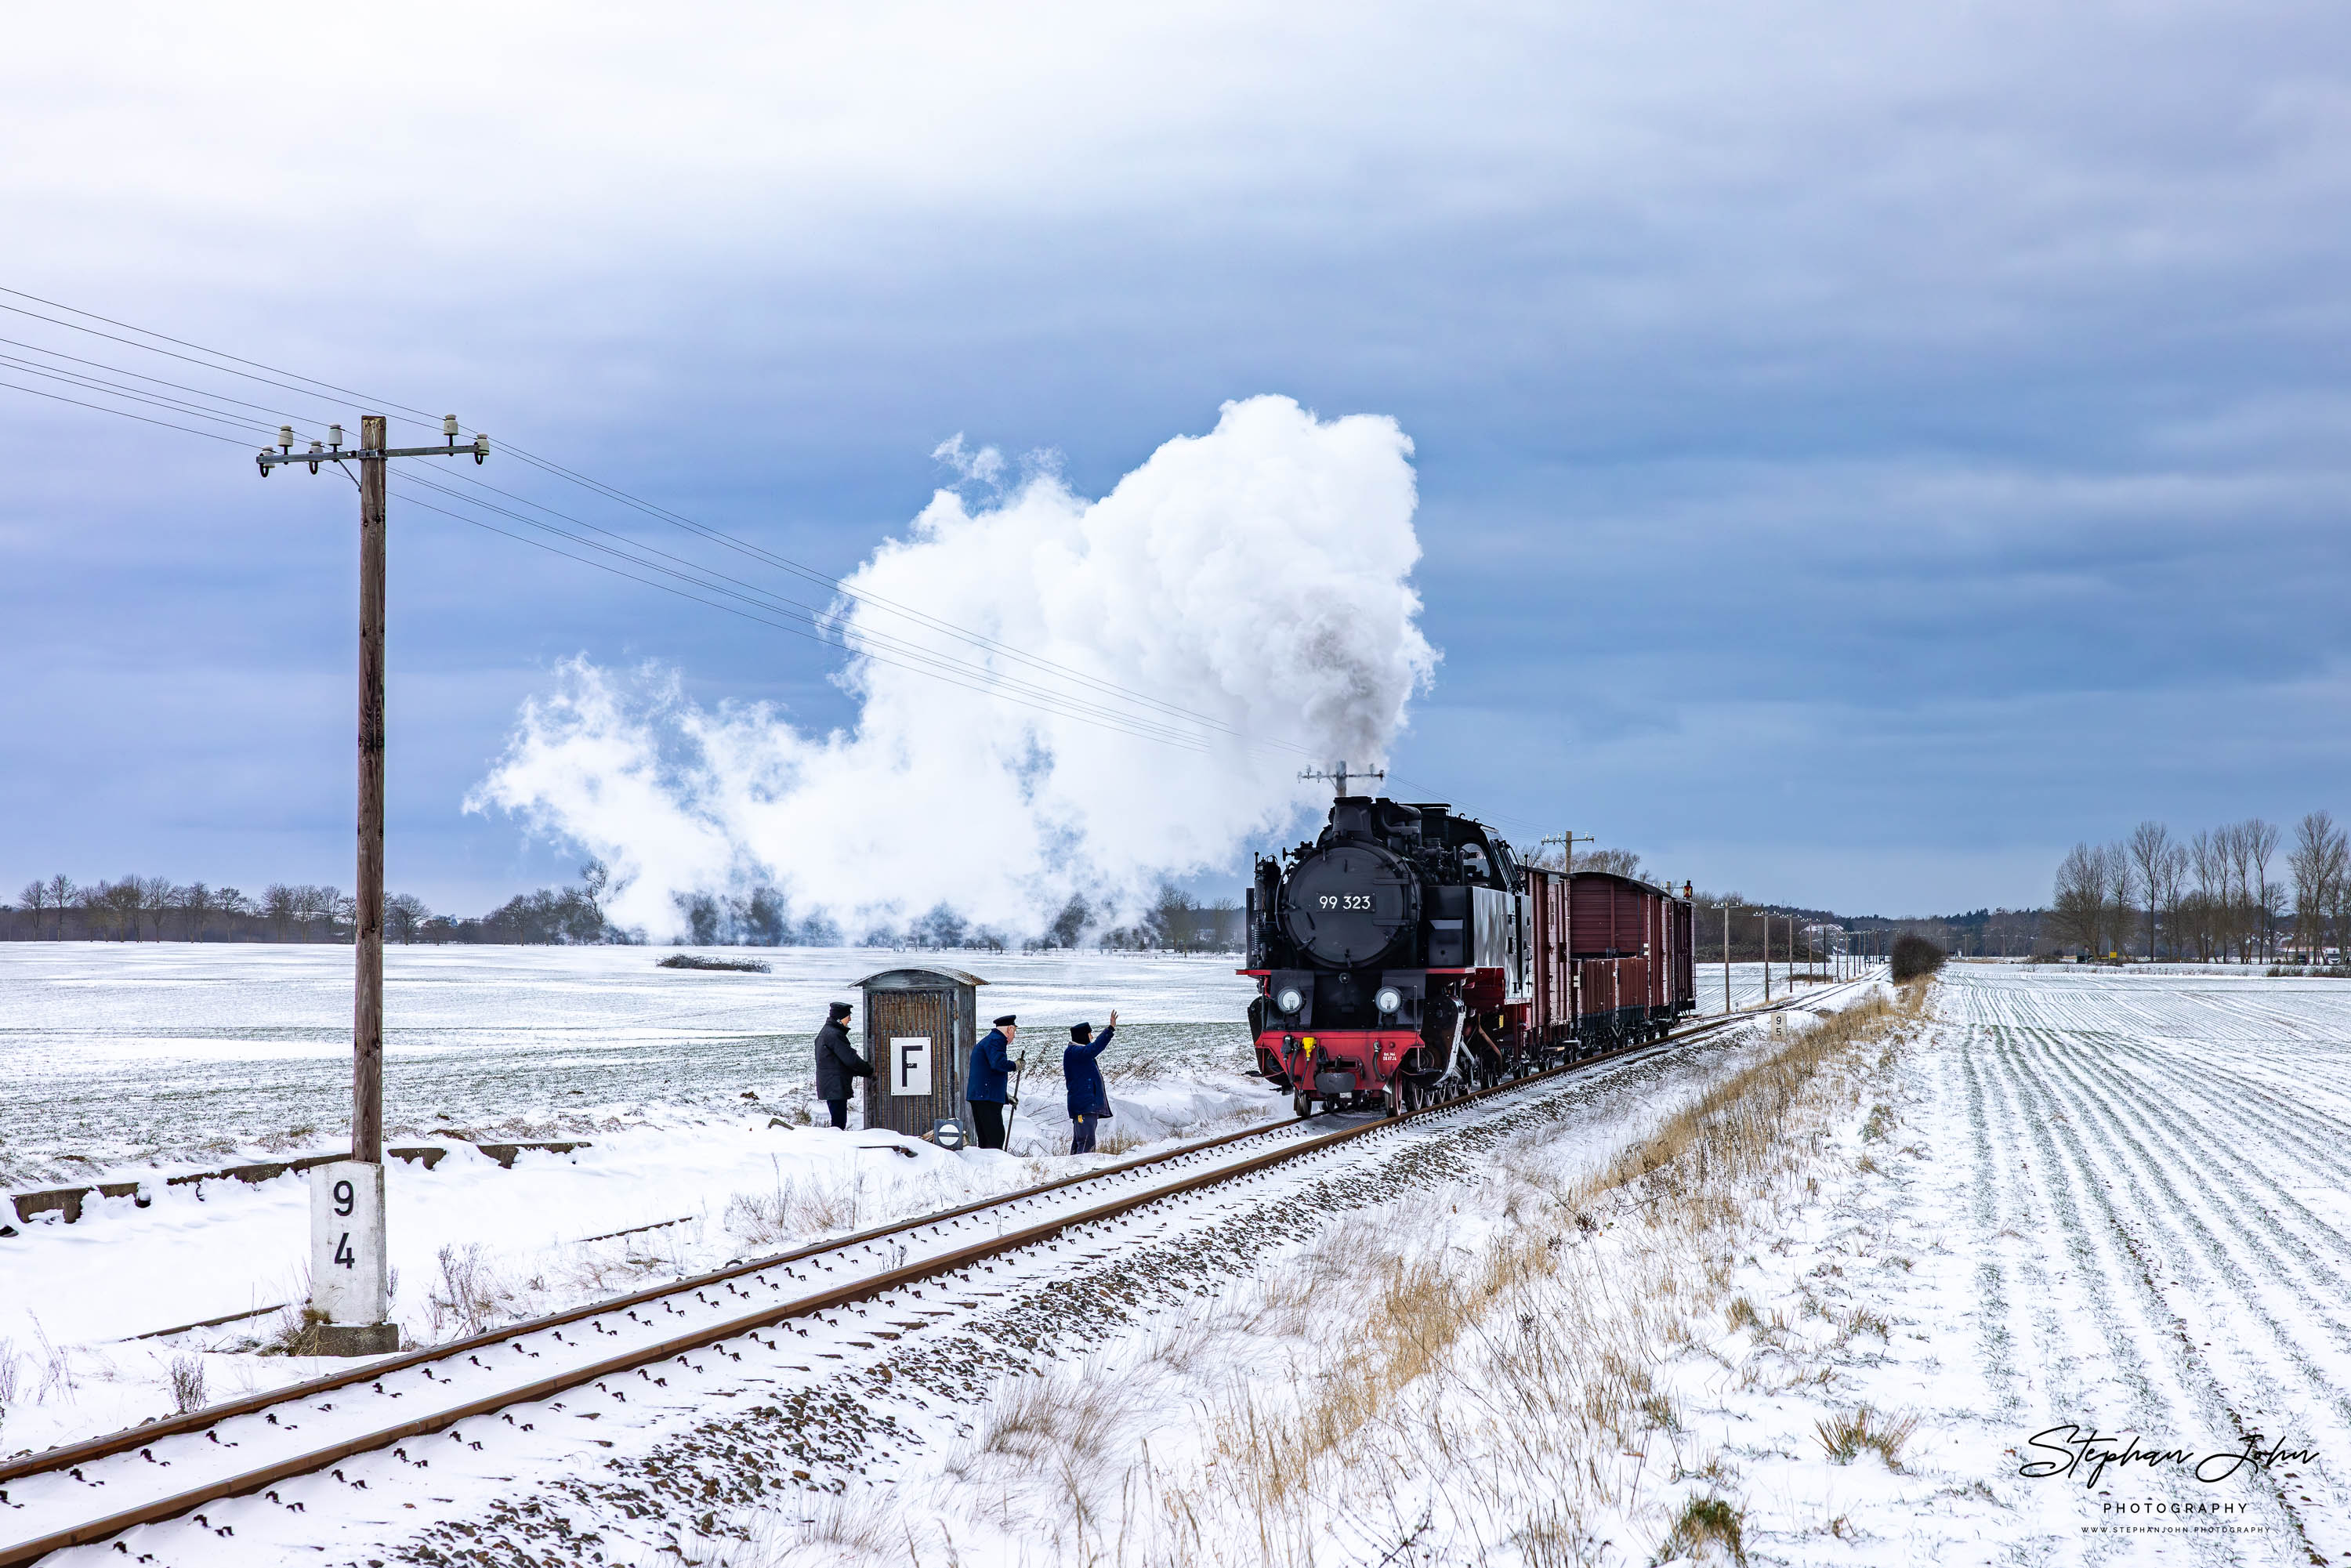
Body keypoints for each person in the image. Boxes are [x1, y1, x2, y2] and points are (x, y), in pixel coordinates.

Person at [1064, 1010, 1118, 1154]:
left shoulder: (1078, 1053)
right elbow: (1094, 1048)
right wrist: (1110, 1029)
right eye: (1089, 1034)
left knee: (1081, 1141)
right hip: (1084, 1106)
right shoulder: (1075, 1052)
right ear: (1083, 1036)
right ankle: (1082, 1172)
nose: (1092, 1037)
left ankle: (1074, 1171)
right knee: (1086, 1142)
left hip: (1086, 1105)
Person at [812, 1001, 871, 1130]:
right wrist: (869, 1070)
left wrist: (862, 1072)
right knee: (838, 1125)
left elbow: (840, 1063)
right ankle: (836, 1148)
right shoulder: (834, 1035)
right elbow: (850, 1060)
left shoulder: (827, 1032)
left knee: (837, 1122)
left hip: (832, 1085)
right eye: (848, 1015)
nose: (850, 1019)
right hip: (835, 1086)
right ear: (840, 1017)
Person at [967, 1013, 1018, 1150]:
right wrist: (1016, 1065)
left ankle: (986, 1165)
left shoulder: (989, 1040)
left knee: (986, 1137)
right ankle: (994, 1165)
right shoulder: (997, 1040)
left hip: (982, 1095)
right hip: (986, 1097)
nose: (1014, 1035)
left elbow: (988, 1074)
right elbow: (998, 1064)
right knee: (995, 1136)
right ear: (1010, 1030)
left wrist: (1005, 1096)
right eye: (1014, 1031)